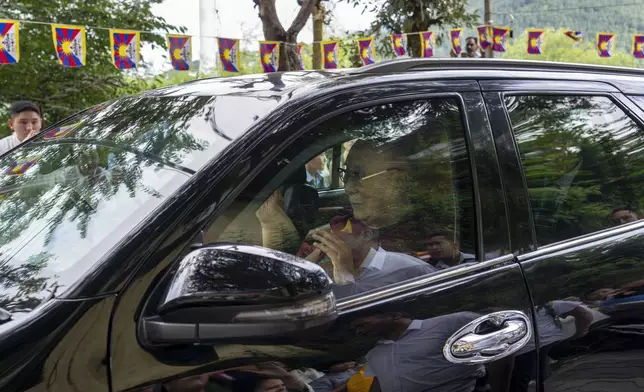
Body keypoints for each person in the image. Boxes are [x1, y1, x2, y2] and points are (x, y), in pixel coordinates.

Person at [287, 138, 437, 297]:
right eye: (346, 174)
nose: (348, 188)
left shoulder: (420, 242)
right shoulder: (345, 225)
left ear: (398, 182)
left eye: (358, 175)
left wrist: (348, 278)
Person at [353, 312, 486, 392]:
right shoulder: (374, 354)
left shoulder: (449, 323)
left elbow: (499, 342)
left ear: (394, 315)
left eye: (362, 324)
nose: (359, 331)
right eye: (355, 329)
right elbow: (379, 384)